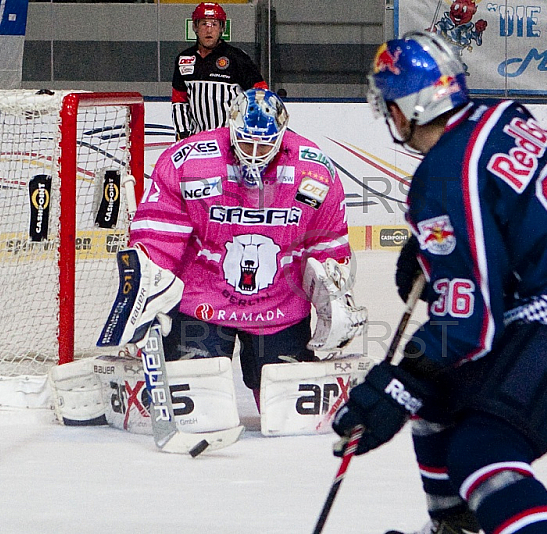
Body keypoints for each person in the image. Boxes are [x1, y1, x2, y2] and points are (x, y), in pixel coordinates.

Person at [331, 31, 547, 534]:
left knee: (484, 450)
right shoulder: (502, 116)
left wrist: (398, 383)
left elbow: (468, 325)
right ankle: (454, 526)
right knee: (438, 403)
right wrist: (440, 248)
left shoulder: (443, 177)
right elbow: (504, 208)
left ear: (407, 108)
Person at [122, 88, 366, 408]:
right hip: (202, 301)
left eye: (264, 143)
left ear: (282, 137)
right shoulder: (189, 161)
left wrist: (335, 291)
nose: (254, 153)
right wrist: (144, 292)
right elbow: (159, 237)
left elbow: (327, 243)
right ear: (230, 129)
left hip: (279, 305)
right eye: (246, 142)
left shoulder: (314, 171)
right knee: (198, 406)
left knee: (286, 409)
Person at [171, 2, 268, 140]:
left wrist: (252, 129)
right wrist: (183, 133)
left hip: (232, 139)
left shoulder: (237, 57)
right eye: (204, 24)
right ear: (195, 27)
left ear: (222, 28)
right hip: (198, 139)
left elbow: (260, 94)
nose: (209, 30)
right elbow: (179, 101)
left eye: (214, 24)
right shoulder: (184, 58)